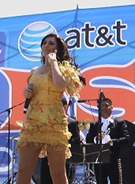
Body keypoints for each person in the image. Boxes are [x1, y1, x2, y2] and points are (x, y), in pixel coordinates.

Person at [16, 33, 84, 184]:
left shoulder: (65, 69)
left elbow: (60, 85)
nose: (46, 46)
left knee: (58, 173)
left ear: (58, 49)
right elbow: (33, 91)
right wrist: (26, 92)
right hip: (33, 122)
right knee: (23, 171)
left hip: (54, 123)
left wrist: (53, 63)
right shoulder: (34, 70)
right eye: (44, 43)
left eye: (51, 43)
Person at [86, 97, 130, 184]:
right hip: (99, 159)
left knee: (116, 181)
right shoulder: (95, 124)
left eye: (107, 106)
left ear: (112, 107)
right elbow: (88, 140)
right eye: (102, 106)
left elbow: (126, 138)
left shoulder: (119, 122)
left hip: (113, 158)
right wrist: (96, 139)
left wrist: (112, 142)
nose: (104, 108)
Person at [39, 98, 81, 184]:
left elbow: (76, 140)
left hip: (64, 158)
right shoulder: (46, 121)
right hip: (47, 158)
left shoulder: (71, 122)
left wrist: (63, 142)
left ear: (65, 106)